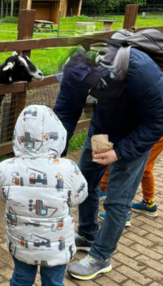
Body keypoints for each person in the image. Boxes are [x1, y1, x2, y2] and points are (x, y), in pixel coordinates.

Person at [53, 42, 163, 280]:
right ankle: (87, 234)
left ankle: (101, 256)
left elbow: (158, 121)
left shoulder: (141, 71)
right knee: (84, 182)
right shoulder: (78, 69)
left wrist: (120, 152)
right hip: (102, 129)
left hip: (135, 134)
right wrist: (56, 149)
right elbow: (66, 111)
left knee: (117, 198)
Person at [0, 104, 88, 286]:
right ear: (57, 135)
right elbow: (79, 196)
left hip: (22, 243)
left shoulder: (5, 168)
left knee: (21, 279)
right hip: (56, 246)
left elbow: (3, 195)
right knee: (53, 282)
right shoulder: (67, 169)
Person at [98, 137, 163, 224]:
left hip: (150, 133)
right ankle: (148, 203)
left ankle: (123, 214)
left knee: (131, 169)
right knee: (146, 167)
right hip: (156, 133)